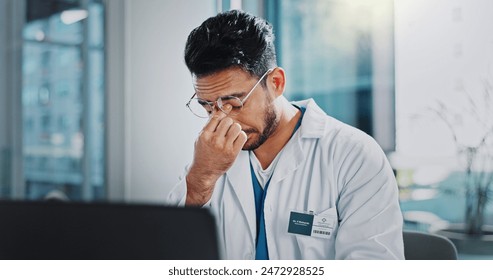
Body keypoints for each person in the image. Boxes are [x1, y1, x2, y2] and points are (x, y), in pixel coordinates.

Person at [168, 10, 404, 260]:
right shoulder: (209, 158)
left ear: (276, 83)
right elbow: (166, 254)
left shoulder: (353, 155)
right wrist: (200, 180)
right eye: (208, 106)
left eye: (235, 103)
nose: (222, 121)